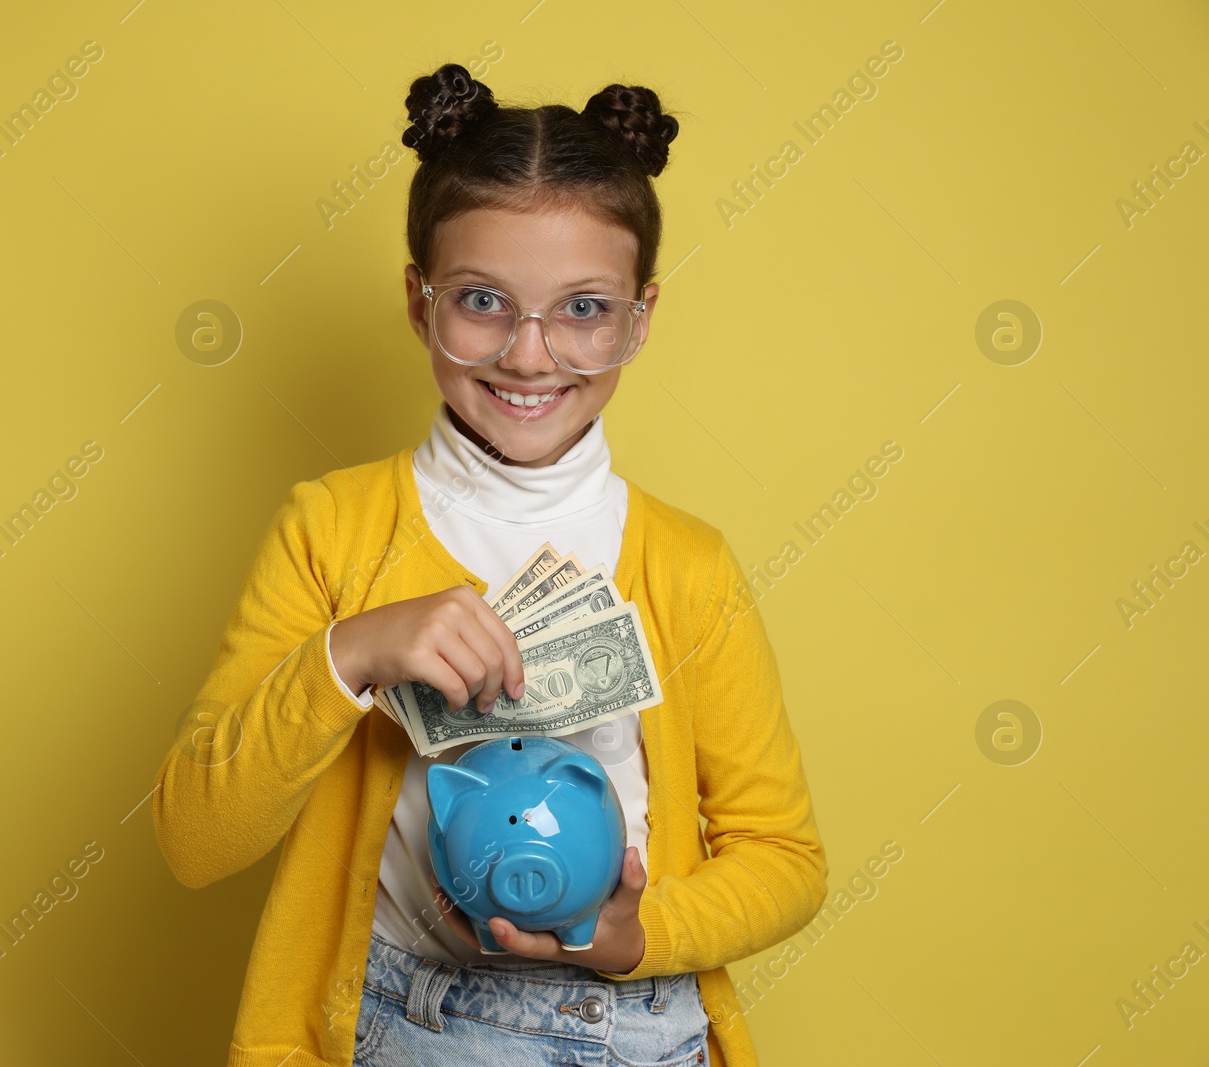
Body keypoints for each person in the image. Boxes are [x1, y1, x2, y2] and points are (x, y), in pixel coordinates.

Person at [152, 63, 828, 1067]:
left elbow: (786, 857)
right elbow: (195, 836)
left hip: (636, 1026)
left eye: (583, 310)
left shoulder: (687, 566)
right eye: (482, 300)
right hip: (396, 1020)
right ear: (420, 304)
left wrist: (643, 935)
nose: (527, 354)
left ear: (639, 319)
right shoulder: (332, 529)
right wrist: (351, 652)